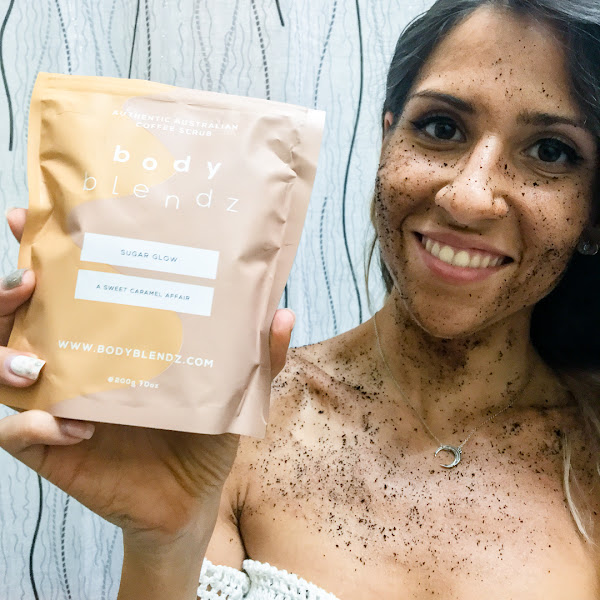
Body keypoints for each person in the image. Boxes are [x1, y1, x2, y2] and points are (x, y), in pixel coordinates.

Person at [1, 0, 600, 597]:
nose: (467, 198)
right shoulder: (231, 427)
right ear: (387, 139)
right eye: (442, 128)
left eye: (551, 151)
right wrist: (164, 544)